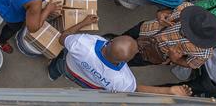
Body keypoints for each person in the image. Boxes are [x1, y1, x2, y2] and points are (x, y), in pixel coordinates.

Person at [48, 30, 192, 95]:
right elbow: (136, 89)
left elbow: (63, 38)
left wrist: (83, 23)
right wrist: (168, 91)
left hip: (69, 66)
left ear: (110, 40)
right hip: (85, 83)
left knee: (59, 66)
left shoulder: (82, 43)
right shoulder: (122, 79)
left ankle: (52, 73)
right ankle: (58, 74)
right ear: (127, 61)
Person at [122, 3, 216, 68]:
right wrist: (161, 15)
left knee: (123, 62)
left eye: (189, 35)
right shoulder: (187, 7)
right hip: (144, 30)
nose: (183, 32)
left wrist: (175, 59)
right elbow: (167, 12)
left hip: (149, 54)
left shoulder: (204, 53)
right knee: (120, 41)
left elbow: (190, 64)